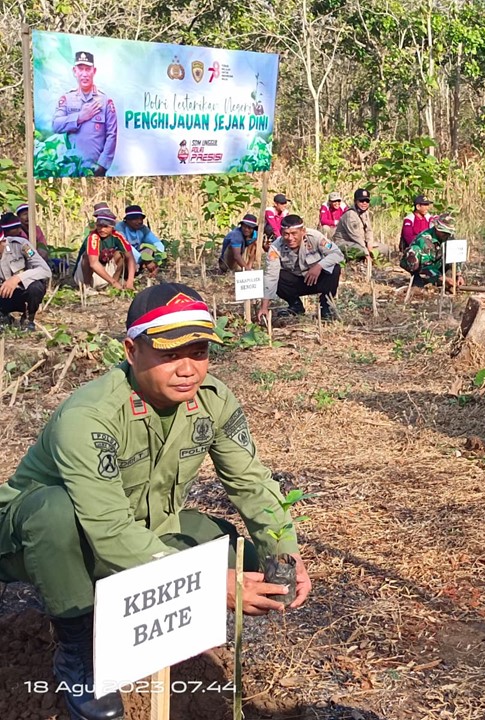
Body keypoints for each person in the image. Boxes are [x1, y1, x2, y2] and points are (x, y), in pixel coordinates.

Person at [0, 283, 311, 720]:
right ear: (131, 351)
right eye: (169, 354)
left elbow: (252, 482)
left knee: (229, 550)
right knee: (54, 512)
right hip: (37, 540)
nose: (188, 369)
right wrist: (202, 584)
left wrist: (284, 552)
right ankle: (78, 649)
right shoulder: (90, 416)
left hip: (134, 532)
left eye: (199, 352)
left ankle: (145, 627)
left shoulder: (212, 401)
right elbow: (107, 528)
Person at [260, 214, 344, 321]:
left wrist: (319, 266)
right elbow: (271, 276)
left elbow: (337, 254)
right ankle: (295, 306)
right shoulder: (275, 248)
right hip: (297, 282)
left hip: (317, 279)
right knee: (277, 276)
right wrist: (264, 307)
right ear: (281, 233)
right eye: (286, 234)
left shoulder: (315, 237)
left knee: (334, 268)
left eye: (294, 233)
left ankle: (325, 307)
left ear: (303, 231)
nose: (290, 238)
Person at [52, 51, 118, 176]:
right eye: (80, 69)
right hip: (70, 169)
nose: (84, 74)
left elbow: (112, 135)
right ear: (74, 71)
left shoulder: (105, 101)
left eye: (88, 69)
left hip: (95, 169)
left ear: (94, 71)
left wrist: (102, 166)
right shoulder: (67, 99)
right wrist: (79, 117)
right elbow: (56, 125)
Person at [0, 225, 51, 331]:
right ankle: (4, 318)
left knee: (36, 287)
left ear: (3, 241)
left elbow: (45, 270)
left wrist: (17, 278)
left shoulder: (21, 245)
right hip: (3, 296)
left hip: (23, 293)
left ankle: (28, 319)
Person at [74, 209, 136, 292]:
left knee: (120, 254)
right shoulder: (93, 237)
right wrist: (113, 282)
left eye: (106, 226)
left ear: (112, 227)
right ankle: (86, 287)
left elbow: (130, 258)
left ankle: (112, 286)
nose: (102, 229)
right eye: (99, 226)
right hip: (85, 274)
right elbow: (93, 264)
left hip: (104, 274)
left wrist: (130, 281)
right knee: (88, 256)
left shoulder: (118, 236)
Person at [400, 214, 462, 288]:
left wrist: (458, 275)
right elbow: (426, 266)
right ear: (437, 229)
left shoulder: (449, 237)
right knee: (414, 251)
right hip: (424, 265)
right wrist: (443, 278)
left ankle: (440, 278)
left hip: (438, 263)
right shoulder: (425, 239)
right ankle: (416, 277)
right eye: (444, 232)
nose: (446, 235)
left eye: (448, 233)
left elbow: (455, 257)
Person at [332, 188, 390, 259]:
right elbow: (355, 237)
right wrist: (366, 252)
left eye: (367, 201)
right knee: (361, 250)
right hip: (345, 242)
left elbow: (369, 230)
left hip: (361, 243)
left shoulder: (365, 213)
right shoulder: (350, 215)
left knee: (385, 248)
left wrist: (370, 244)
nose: (364, 203)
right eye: (361, 201)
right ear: (355, 201)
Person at [116, 204, 167, 273]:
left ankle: (145, 269)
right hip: (123, 255)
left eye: (141, 219)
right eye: (136, 219)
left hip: (138, 256)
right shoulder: (120, 228)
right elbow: (125, 246)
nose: (139, 221)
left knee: (149, 249)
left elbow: (158, 244)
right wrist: (145, 260)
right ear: (127, 220)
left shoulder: (143, 229)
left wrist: (156, 260)